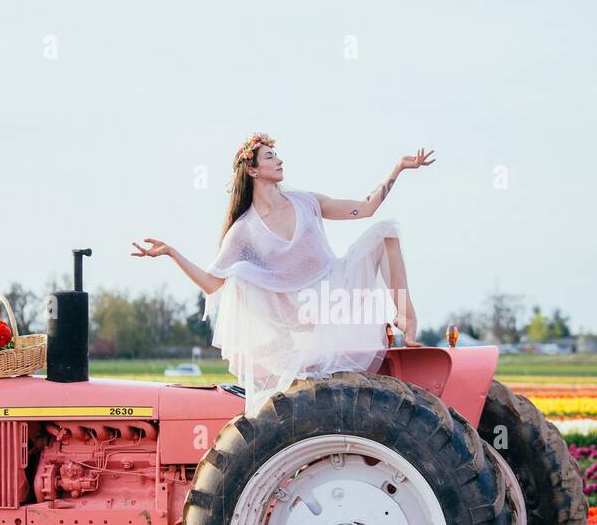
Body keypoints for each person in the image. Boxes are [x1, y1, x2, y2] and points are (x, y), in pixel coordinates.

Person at [132, 132, 435, 415]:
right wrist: (172, 253)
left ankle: (406, 318)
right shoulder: (244, 230)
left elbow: (366, 209)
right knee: (240, 277)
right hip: (301, 313)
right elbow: (213, 284)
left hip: (336, 290)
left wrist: (397, 169)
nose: (279, 160)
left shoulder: (306, 201)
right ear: (252, 170)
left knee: (386, 233)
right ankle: (284, 349)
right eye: (269, 157)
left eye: (277, 155)